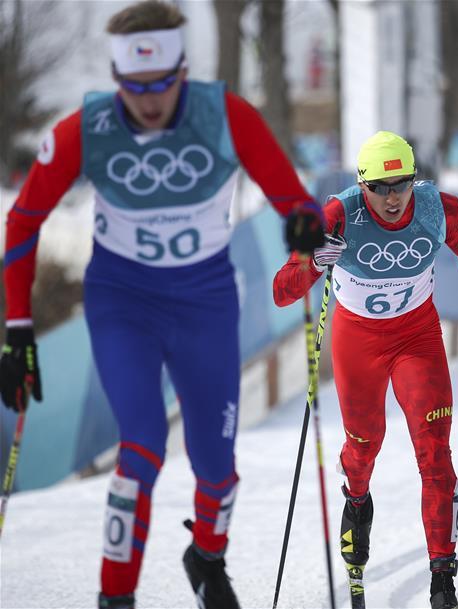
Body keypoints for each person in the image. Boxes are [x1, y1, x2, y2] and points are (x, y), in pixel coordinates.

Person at [0, 2, 324, 608]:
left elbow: (291, 195)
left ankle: (206, 558)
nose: (148, 101)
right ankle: (115, 598)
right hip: (125, 302)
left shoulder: (224, 115)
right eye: (134, 86)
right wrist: (17, 329)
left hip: (205, 303)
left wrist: (303, 224)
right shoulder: (89, 127)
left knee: (216, 465)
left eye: (161, 84)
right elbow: (22, 220)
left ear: (182, 70)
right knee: (142, 445)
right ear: (118, 79)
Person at [273, 131, 458, 609]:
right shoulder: (337, 216)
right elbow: (282, 290)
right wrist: (314, 261)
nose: (392, 197)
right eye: (379, 187)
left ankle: (443, 582)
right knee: (364, 446)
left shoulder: (440, 209)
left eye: (401, 183)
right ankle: (356, 498)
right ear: (363, 188)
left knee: (435, 456)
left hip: (417, 338)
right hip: (359, 341)